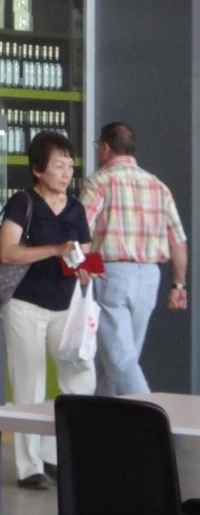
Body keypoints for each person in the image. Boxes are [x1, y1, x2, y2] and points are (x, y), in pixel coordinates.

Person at [0, 129, 95, 490]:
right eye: (58, 166)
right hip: (25, 304)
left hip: (66, 306)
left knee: (81, 373)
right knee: (29, 383)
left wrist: (86, 268)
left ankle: (54, 451)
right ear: (38, 170)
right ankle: (29, 468)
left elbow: (83, 253)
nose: (67, 173)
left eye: (70, 165)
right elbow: (7, 252)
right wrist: (54, 250)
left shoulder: (76, 208)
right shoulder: (23, 202)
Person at [81, 121, 188, 395]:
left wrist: (88, 271)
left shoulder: (99, 181)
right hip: (150, 277)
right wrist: (178, 285)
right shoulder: (158, 186)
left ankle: (153, 414)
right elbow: (178, 239)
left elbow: (81, 230)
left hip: (112, 274)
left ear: (105, 148)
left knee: (120, 362)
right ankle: (100, 420)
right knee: (121, 360)